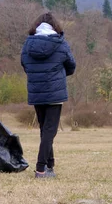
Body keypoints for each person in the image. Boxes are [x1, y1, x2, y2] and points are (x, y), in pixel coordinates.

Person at [21, 12, 76, 178]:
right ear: (55, 26)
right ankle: (41, 169)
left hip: (36, 93)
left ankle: (50, 165)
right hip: (55, 93)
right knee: (49, 132)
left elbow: (25, 64)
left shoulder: (28, 44)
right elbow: (71, 66)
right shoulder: (60, 43)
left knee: (44, 130)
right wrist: (57, 74)